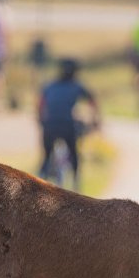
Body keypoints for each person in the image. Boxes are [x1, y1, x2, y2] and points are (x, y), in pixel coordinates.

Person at [37, 58, 101, 192]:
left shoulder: (49, 86)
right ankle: (76, 185)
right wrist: (96, 120)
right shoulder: (76, 86)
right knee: (74, 155)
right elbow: (92, 100)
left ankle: (38, 184)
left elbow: (41, 104)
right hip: (67, 125)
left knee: (46, 157)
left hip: (49, 125)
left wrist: (40, 120)